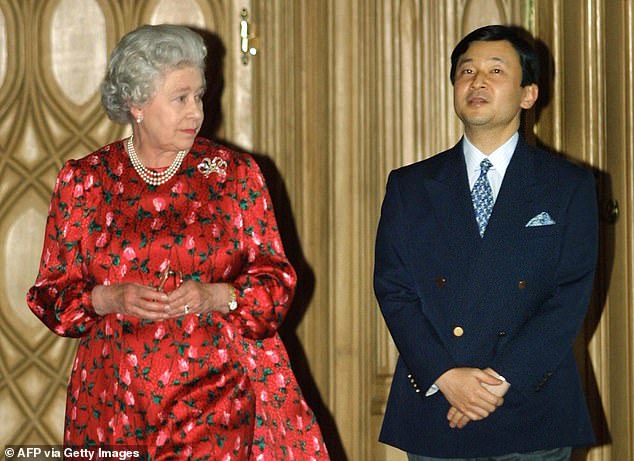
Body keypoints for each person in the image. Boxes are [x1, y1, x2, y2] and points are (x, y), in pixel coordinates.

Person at [27, 24, 328, 460]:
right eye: (180, 98)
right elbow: (50, 294)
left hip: (215, 396)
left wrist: (217, 295)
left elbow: (277, 283)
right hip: (112, 402)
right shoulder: (85, 180)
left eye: (199, 96)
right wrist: (107, 298)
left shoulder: (234, 175)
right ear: (136, 104)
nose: (196, 112)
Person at [374, 25, 597, 460]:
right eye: (466, 71)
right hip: (438, 404)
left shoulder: (567, 186)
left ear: (528, 94)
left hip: (530, 403)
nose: (477, 82)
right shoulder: (411, 185)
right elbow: (393, 289)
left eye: (496, 70)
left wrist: (493, 384)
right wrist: (448, 377)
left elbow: (569, 296)